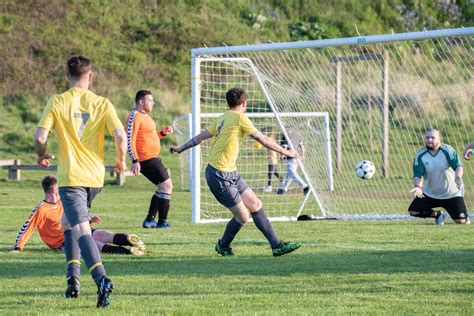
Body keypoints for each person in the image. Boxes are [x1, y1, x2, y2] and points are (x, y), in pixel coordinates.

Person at [35, 55, 126, 307]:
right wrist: (121, 161)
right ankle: (72, 281)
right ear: (91, 76)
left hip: (71, 177)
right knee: (68, 222)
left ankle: (101, 279)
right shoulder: (103, 103)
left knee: (82, 229)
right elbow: (119, 135)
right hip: (94, 177)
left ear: (67, 76)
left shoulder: (57, 101)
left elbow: (41, 136)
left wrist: (41, 154)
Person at [170, 87, 301, 257]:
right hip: (218, 175)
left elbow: (199, 138)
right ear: (244, 103)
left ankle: (277, 246)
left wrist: (181, 147)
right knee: (243, 217)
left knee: (256, 204)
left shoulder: (222, 118)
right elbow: (263, 139)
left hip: (230, 173)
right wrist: (288, 152)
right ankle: (223, 246)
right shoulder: (240, 118)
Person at [12, 176, 145, 256]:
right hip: (63, 242)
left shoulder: (63, 201)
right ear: (53, 190)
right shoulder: (41, 209)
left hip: (78, 230)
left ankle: (130, 240)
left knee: (102, 235)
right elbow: (27, 228)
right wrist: (18, 247)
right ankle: (129, 251)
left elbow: (75, 215)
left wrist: (88, 219)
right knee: (95, 243)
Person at [126, 90, 173, 229]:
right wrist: (135, 160)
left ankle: (150, 220)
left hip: (151, 157)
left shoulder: (145, 116)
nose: (153, 103)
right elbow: (130, 139)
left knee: (162, 187)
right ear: (141, 101)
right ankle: (161, 222)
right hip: (146, 158)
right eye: (150, 100)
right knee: (167, 186)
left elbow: (147, 137)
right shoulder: (135, 116)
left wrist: (162, 133)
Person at [408, 128, 469, 225]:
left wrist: (458, 178)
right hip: (431, 193)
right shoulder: (420, 155)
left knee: (461, 221)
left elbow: (458, 166)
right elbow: (418, 175)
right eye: (427, 138)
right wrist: (418, 187)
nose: (429, 140)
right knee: (413, 210)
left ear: (439, 139)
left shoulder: (447, 151)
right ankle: (438, 215)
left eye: (432, 137)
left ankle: (462, 216)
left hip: (452, 193)